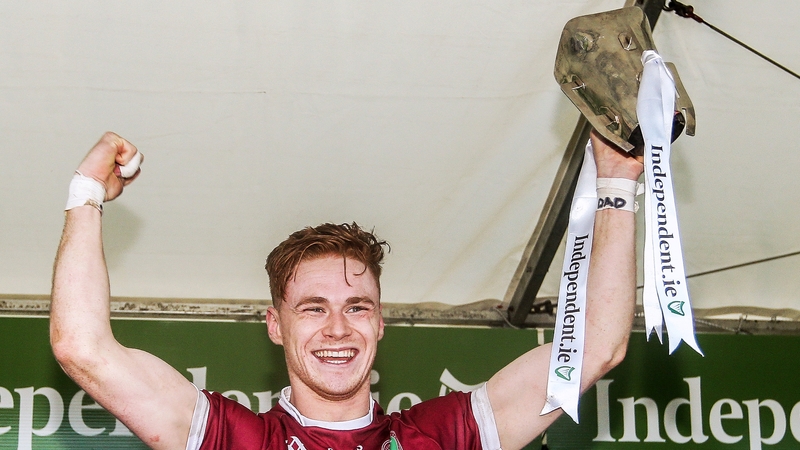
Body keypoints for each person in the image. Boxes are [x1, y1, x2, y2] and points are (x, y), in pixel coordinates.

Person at [51, 130, 643, 450]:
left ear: (381, 321)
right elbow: (83, 349)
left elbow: (595, 346)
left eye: (357, 307)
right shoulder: (233, 440)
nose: (338, 329)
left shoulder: (443, 436)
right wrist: (85, 197)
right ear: (276, 324)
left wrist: (616, 183)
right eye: (312, 309)